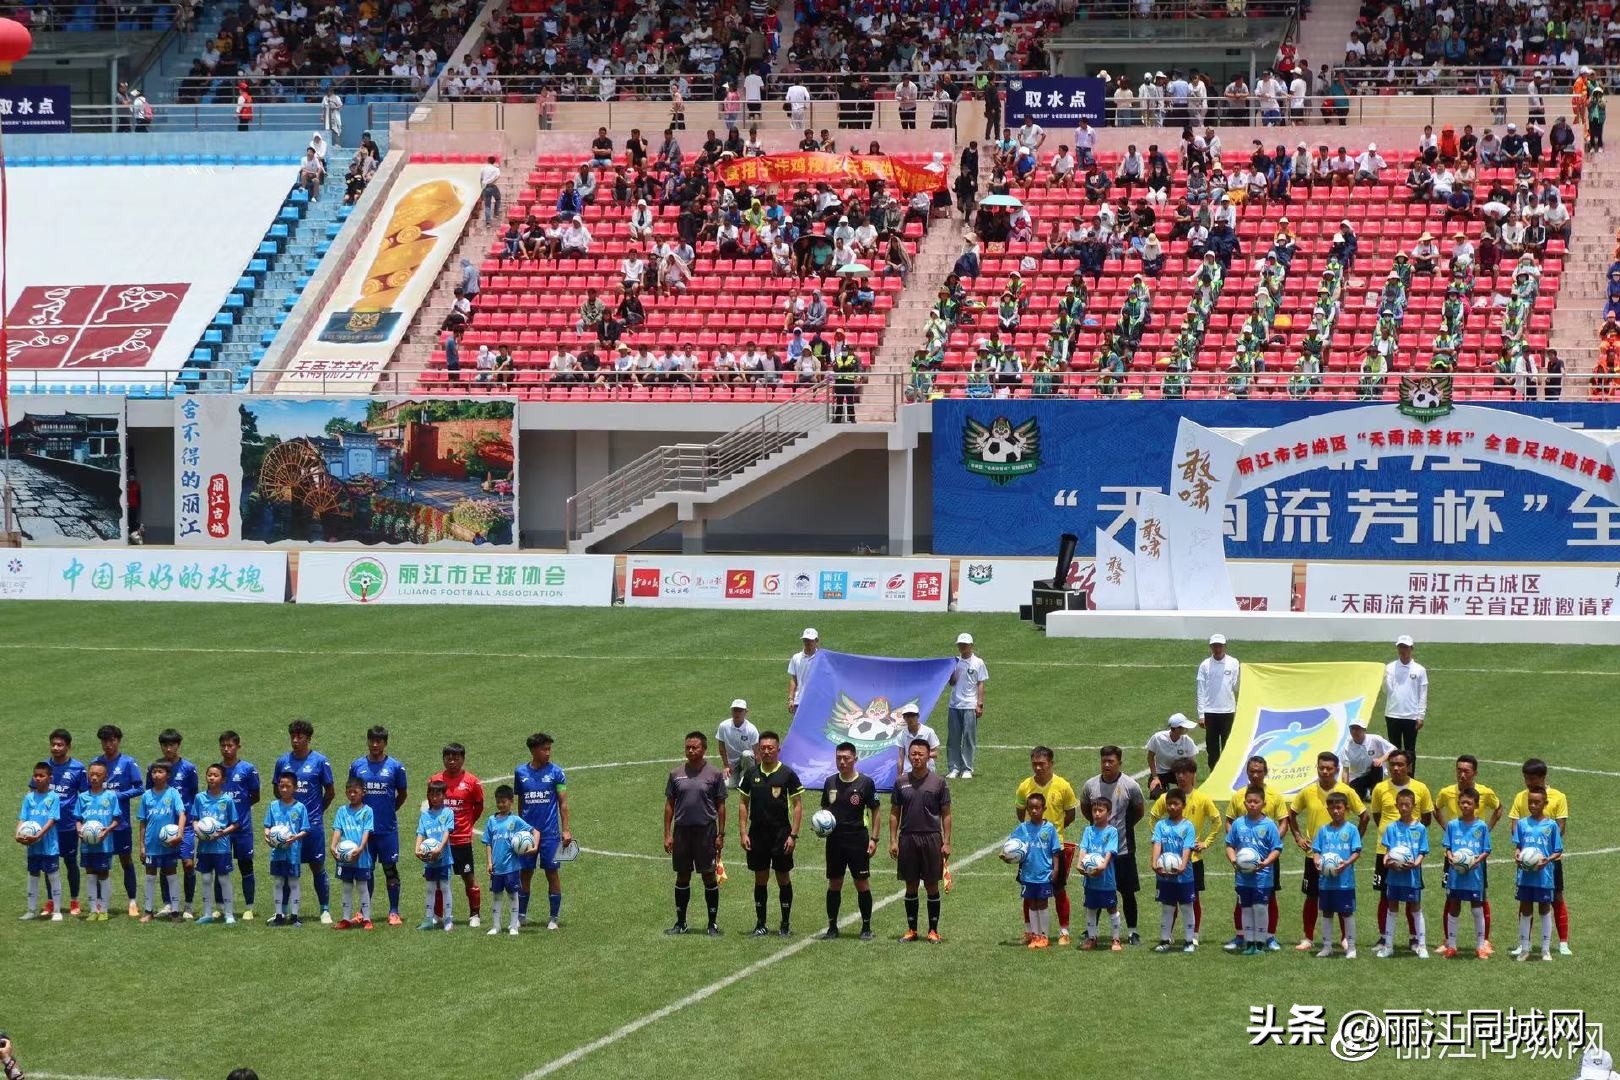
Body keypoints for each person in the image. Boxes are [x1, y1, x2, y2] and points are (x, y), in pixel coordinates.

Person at [1287, 752, 1369, 951]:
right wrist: (1298, 836)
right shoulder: (1308, 791)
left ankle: (1345, 937)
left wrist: (1354, 842)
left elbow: (1364, 816)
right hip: (1314, 856)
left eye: (1329, 768)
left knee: (1341, 895)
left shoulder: (1346, 791)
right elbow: (1291, 814)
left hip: (1340, 859)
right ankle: (1307, 937)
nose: (1324, 771)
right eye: (1321, 767)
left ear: (1336, 770)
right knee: (1311, 896)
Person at [738, 730, 804, 937]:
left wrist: (793, 835)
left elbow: (797, 805)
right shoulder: (751, 774)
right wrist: (743, 833)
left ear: (778, 750)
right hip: (757, 835)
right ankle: (761, 924)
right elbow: (743, 803)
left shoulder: (787, 774)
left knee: (783, 877)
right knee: (760, 879)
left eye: (770, 748)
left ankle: (785, 924)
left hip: (781, 834)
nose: (766, 751)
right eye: (763, 748)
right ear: (758, 750)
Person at [1148, 759, 1222, 942]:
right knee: (1168, 900)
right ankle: (1168, 935)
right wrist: (1161, 842)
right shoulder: (1166, 798)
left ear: (1193, 774)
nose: (1181, 776)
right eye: (1178, 773)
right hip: (1169, 860)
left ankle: (1193, 935)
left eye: (1185, 773)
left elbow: (1217, 821)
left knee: (1193, 899)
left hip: (1192, 860)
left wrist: (1205, 843)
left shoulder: (1202, 798)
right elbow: (1153, 818)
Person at [1014, 747, 1079, 946]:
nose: (1038, 767)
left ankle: (1064, 931)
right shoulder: (1025, 786)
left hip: (1054, 849)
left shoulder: (1063, 786)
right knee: (1029, 891)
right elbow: (1020, 813)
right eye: (1034, 764)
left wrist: (1052, 834)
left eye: (1042, 764)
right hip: (1030, 850)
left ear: (1051, 763)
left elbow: (1071, 814)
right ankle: (1030, 931)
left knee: (1059, 890)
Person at [1081, 746, 1146, 944]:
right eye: (1104, 761)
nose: (1107, 765)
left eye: (1111, 761)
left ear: (1119, 763)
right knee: (1096, 890)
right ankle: (1091, 932)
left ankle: (1132, 931)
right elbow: (1086, 809)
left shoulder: (1130, 785)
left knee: (1127, 892)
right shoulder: (1091, 785)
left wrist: (1119, 831)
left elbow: (1139, 811)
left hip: (1123, 849)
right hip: (1097, 852)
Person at [1222, 756, 1287, 951]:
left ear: (1265, 772)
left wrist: (1269, 845)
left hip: (1267, 858)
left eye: (1259, 771)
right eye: (1252, 771)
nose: (1255, 775)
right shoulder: (1239, 796)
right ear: (1247, 772)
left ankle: (1269, 936)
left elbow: (1283, 821)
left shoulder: (1275, 796)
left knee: (1269, 897)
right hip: (1243, 858)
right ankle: (1242, 935)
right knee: (1242, 898)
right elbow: (1229, 821)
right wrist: (1239, 847)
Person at [664, 732, 726, 935]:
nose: (690, 751)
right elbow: (669, 805)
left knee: (708, 875)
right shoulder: (675, 774)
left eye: (695, 747)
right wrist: (667, 834)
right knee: (682, 875)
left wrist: (721, 834)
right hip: (682, 832)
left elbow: (721, 805)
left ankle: (712, 923)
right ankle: (681, 923)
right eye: (688, 747)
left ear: (704, 749)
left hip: (706, 832)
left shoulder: (714, 774)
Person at [890, 738, 951, 943]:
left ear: (928, 756)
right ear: (908, 755)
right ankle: (912, 930)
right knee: (911, 884)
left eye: (920, 754)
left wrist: (947, 841)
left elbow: (946, 813)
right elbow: (894, 813)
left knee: (932, 884)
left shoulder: (939, 782)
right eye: (913, 754)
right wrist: (893, 840)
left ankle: (933, 931)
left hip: (931, 837)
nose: (916, 757)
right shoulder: (901, 782)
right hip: (907, 838)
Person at [274, 719, 335, 924]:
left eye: (299, 737)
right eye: (293, 736)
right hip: (287, 828)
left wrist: (316, 813)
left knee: (317, 865)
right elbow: (277, 790)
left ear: (308, 739)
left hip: (313, 826)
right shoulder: (283, 762)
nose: (295, 740)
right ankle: (282, 912)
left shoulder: (320, 761)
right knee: (287, 868)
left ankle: (324, 910)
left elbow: (330, 792)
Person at [1510, 759, 1571, 955]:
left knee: (1556, 897)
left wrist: (1543, 854)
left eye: (1532, 778)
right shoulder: (1521, 796)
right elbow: (1515, 825)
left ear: (1543, 777)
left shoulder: (1558, 797)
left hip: (1549, 861)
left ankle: (1562, 942)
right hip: (1526, 859)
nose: (1528, 782)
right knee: (1525, 900)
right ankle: (1524, 944)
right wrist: (1523, 851)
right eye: (1526, 778)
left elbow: (1560, 827)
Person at [347, 725, 407, 926]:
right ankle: (364, 912)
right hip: (364, 831)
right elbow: (352, 792)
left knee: (390, 869)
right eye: (371, 740)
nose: (374, 744)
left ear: (385, 743)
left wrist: (389, 809)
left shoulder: (395, 767)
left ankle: (394, 911)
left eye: (378, 741)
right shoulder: (357, 766)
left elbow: (402, 794)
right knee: (366, 871)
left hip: (387, 829)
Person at [820, 741, 879, 940]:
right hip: (835, 840)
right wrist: (821, 825)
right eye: (839, 758)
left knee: (861, 883)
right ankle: (832, 928)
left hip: (857, 839)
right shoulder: (829, 782)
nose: (842, 762)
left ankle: (866, 928)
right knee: (834, 882)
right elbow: (825, 810)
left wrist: (874, 838)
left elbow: (875, 810)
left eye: (846, 758)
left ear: (855, 759)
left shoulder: (865, 783)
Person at [513, 732, 571, 930]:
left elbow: (563, 803)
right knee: (525, 873)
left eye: (549, 749)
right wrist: (520, 829)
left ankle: (554, 918)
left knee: (552, 873)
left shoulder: (557, 773)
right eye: (544, 749)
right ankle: (521, 916)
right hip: (528, 835)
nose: (548, 752)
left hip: (550, 834)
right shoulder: (520, 772)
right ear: (533, 750)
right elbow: (521, 802)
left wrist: (566, 830)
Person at [430, 742, 485, 928]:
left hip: (461, 840)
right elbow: (432, 807)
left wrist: (468, 824)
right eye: (448, 758)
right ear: (443, 759)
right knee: (439, 878)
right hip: (440, 841)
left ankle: (475, 914)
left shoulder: (472, 782)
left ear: (463, 759)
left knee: (468, 877)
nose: (452, 761)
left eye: (456, 758)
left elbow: (479, 806)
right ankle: (438, 915)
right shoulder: (436, 780)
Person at [90, 723, 143, 918]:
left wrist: (117, 796)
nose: (108, 744)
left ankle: (132, 901)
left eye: (111, 740)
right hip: (99, 824)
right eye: (104, 741)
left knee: (125, 860)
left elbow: (139, 788)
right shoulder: (96, 763)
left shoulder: (128, 763)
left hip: (120, 823)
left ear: (118, 741)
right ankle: (99, 903)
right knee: (99, 863)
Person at [146, 729, 200, 918]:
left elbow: (194, 794)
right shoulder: (154, 768)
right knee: (165, 863)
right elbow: (150, 793)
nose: (169, 749)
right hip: (164, 826)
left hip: (185, 825)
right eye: (165, 745)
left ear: (178, 745)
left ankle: (188, 905)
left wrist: (193, 819)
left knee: (187, 863)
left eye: (172, 745)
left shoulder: (188, 768)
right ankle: (168, 904)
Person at [1513, 787, 1563, 963]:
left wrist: (1547, 860)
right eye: (1530, 802)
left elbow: (1558, 850)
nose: (1533, 805)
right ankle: (1525, 949)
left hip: (1544, 876)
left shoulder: (1551, 826)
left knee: (1544, 909)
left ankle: (1545, 949)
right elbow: (1518, 846)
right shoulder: (1522, 824)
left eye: (1537, 802)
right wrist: (1517, 854)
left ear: (1545, 803)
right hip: (1525, 876)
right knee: (1526, 910)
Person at [1440, 787, 1492, 958]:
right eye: (1462, 802)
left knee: (1477, 909)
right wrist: (1450, 857)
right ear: (1458, 804)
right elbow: (1448, 847)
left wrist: (1477, 860)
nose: (1465, 806)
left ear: (1476, 805)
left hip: (1474, 876)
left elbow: (1486, 850)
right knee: (1454, 907)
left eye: (1469, 803)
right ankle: (1452, 946)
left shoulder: (1481, 826)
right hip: (1456, 876)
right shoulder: (1452, 825)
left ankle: (1481, 946)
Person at [1007, 792, 1062, 949]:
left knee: (1042, 903)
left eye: (1037, 808)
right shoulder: (1023, 828)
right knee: (1032, 903)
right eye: (1030, 808)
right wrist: (1006, 855)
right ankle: (1035, 936)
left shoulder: (1049, 829)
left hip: (1044, 874)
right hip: (1028, 874)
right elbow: (1011, 845)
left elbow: (1055, 851)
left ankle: (1044, 936)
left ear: (1044, 808)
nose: (1033, 811)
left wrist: (1056, 869)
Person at [1311, 792, 1363, 959]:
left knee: (1346, 913)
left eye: (1339, 807)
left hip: (1344, 882)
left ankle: (1351, 947)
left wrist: (1346, 863)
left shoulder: (1352, 829)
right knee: (1327, 913)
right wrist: (1317, 861)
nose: (1335, 811)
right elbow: (1316, 851)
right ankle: (1327, 947)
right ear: (1327, 809)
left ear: (1345, 808)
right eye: (1332, 808)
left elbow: (1357, 851)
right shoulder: (1323, 830)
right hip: (1326, 882)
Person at [480, 784, 536, 937]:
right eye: (498, 801)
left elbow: (532, 831)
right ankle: (496, 926)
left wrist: (531, 846)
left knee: (513, 895)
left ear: (511, 801)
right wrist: (489, 862)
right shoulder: (491, 820)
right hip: (497, 868)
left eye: (504, 801)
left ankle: (513, 926)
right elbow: (488, 843)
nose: (501, 804)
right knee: (496, 896)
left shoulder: (515, 820)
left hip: (512, 868)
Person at [135, 760, 185, 923]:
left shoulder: (173, 794)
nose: (156, 775)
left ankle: (175, 911)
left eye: (160, 772)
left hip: (169, 844)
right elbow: (142, 822)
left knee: (171, 875)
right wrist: (142, 846)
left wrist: (179, 834)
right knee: (150, 877)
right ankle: (148, 911)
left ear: (168, 775)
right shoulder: (146, 796)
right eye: (154, 772)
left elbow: (182, 814)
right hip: (151, 845)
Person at [43, 728, 87, 917]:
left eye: (60, 745)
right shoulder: (44, 766)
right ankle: (51, 901)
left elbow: (85, 796)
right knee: (49, 863)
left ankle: (74, 900)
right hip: (47, 826)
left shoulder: (78, 768)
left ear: (68, 746)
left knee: (70, 862)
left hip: (68, 824)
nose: (56, 748)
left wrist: (81, 821)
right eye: (53, 744)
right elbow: (34, 791)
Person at [1149, 789, 1198, 954]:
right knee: (1167, 908)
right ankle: (1164, 940)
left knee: (1186, 907)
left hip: (1185, 876)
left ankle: (1189, 941)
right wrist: (1154, 863)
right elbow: (1157, 844)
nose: (1171, 807)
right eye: (1169, 804)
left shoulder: (1188, 826)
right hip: (1164, 876)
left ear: (1183, 805)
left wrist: (1182, 866)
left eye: (1175, 804)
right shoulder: (1161, 825)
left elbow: (1187, 848)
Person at [218, 731, 261, 920]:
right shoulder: (217, 770)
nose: (226, 749)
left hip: (242, 829)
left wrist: (240, 810)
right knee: (221, 867)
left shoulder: (248, 769)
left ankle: (249, 907)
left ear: (238, 747)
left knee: (245, 866)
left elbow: (255, 796)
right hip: (222, 830)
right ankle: (220, 906)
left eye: (230, 746)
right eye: (223, 746)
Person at [191, 763, 238, 924]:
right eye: (209, 774)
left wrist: (221, 833)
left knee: (223, 879)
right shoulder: (199, 798)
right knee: (205, 878)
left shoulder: (227, 800)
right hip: (204, 847)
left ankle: (229, 914)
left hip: (221, 847)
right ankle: (207, 913)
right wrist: (197, 830)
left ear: (223, 779)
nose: (211, 778)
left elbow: (235, 823)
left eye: (215, 775)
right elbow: (195, 819)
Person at [74, 762, 120, 920]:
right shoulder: (82, 797)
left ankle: (104, 910)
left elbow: (116, 819)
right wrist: (79, 830)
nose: (94, 777)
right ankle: (93, 910)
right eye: (91, 774)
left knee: (103, 874)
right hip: (87, 845)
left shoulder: (111, 796)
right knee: (90, 875)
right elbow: (78, 819)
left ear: (105, 777)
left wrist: (107, 830)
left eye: (98, 775)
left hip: (104, 844)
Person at [18, 762, 63, 921]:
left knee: (53, 876)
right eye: (35, 775)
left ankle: (57, 911)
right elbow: (22, 818)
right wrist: (18, 834)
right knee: (33, 875)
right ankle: (31, 910)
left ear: (49, 778)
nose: (38, 778)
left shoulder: (54, 797)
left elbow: (51, 820)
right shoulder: (28, 797)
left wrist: (38, 836)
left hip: (49, 846)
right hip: (33, 846)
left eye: (41, 776)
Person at [1076, 797, 1122, 950]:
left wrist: (1102, 866)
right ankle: (1091, 938)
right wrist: (1080, 863)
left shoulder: (1112, 832)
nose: (1096, 814)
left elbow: (1110, 851)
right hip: (1090, 880)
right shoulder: (1088, 831)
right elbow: (1083, 848)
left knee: (1111, 908)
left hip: (1106, 880)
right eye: (1094, 810)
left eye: (1100, 811)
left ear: (1108, 813)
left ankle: (1116, 939)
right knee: (1091, 908)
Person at [330, 778, 375, 930]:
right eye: (349, 792)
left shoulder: (367, 811)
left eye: (355, 792)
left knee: (362, 886)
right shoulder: (342, 811)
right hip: (345, 858)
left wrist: (361, 848)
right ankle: (345, 918)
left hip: (361, 857)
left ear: (363, 792)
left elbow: (366, 831)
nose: (352, 795)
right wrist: (333, 846)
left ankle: (366, 918)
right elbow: (337, 830)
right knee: (346, 887)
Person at [264, 774, 309, 925]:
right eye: (281, 786)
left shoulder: (300, 807)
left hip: (293, 853)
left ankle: (294, 916)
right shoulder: (273, 806)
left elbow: (305, 829)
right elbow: (267, 826)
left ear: (295, 788)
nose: (284, 789)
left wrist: (295, 838)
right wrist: (267, 836)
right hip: (277, 853)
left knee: (293, 883)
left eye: (287, 786)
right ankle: (279, 915)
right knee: (278, 882)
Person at [945, 632, 988, 780]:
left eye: (965, 644)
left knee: (969, 738)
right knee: (953, 738)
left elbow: (980, 683)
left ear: (971, 645)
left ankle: (967, 768)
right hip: (954, 705)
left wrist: (979, 704)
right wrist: (953, 674)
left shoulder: (978, 662)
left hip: (970, 705)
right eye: (960, 644)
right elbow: (951, 683)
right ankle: (954, 768)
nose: (963, 647)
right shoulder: (954, 662)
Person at [1383, 635, 1429, 773]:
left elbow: (1423, 694)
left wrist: (1420, 715)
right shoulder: (1389, 668)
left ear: (1411, 649)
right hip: (1392, 714)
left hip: (1411, 716)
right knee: (1393, 749)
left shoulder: (1419, 669)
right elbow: (1387, 691)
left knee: (1410, 750)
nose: (1403, 650)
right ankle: (1394, 776)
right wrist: (1385, 679)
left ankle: (1410, 777)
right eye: (1400, 647)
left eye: (1405, 647)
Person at [416, 779, 456, 930]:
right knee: (430, 888)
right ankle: (428, 919)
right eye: (432, 795)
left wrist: (439, 848)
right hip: (429, 860)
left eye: (438, 795)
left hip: (443, 858)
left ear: (444, 796)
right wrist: (417, 848)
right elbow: (420, 833)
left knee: (445, 887)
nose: (434, 798)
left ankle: (448, 919)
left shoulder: (448, 813)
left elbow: (447, 832)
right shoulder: (425, 816)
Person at [1195, 633, 1240, 768]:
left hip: (1228, 711)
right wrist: (1201, 714)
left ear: (1225, 646)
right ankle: (1213, 772)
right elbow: (1201, 690)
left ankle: (1227, 772)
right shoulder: (1205, 665)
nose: (1217, 649)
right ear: (1211, 647)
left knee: (1228, 745)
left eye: (1220, 646)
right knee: (1212, 747)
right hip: (1210, 712)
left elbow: (1236, 686)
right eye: (1215, 646)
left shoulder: (1234, 662)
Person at [1145, 713, 1198, 794]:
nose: (1186, 729)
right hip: (1161, 772)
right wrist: (1155, 778)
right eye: (1183, 727)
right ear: (1176, 729)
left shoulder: (1188, 741)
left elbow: (1191, 766)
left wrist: (1192, 788)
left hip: (1180, 772)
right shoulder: (1157, 738)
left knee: (1185, 793)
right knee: (1156, 794)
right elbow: (1150, 757)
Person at [713, 699, 761, 789]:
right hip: (732, 763)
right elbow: (721, 747)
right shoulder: (723, 726)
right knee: (728, 785)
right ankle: (740, 777)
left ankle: (747, 776)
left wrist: (759, 772)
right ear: (731, 711)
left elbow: (757, 752)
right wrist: (726, 766)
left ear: (746, 712)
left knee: (747, 754)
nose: (737, 713)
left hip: (747, 761)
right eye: (735, 710)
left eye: (740, 711)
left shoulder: (751, 729)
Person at [1341, 719, 1394, 799]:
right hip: (1357, 777)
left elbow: (1393, 749)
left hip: (1374, 772)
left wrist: (1381, 760)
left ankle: (1375, 793)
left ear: (1364, 730)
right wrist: (1345, 789)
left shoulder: (1375, 739)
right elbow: (1345, 770)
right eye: (1352, 729)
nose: (1355, 732)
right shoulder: (1347, 747)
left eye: (1358, 729)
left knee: (1376, 765)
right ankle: (1366, 792)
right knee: (1357, 796)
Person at [892, 704, 939, 778]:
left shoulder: (929, 732)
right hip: (908, 771)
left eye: (913, 716)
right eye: (907, 716)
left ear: (918, 716)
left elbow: (935, 753)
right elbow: (901, 758)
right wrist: (899, 775)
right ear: (904, 718)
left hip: (927, 770)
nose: (910, 719)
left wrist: (919, 756)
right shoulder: (901, 736)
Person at [787, 628, 820, 716]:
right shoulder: (796, 658)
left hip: (817, 702)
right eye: (805, 640)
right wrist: (791, 699)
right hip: (799, 702)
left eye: (810, 640)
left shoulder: (822, 658)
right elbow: (794, 680)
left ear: (816, 641)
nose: (807, 643)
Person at [480, 155, 501, 226]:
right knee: (498, 199)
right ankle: (496, 213)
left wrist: (482, 188)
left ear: (488, 161)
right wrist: (492, 181)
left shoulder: (483, 168)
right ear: (494, 162)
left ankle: (488, 222)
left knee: (487, 205)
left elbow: (481, 179)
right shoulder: (496, 169)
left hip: (486, 187)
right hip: (493, 186)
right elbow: (497, 176)